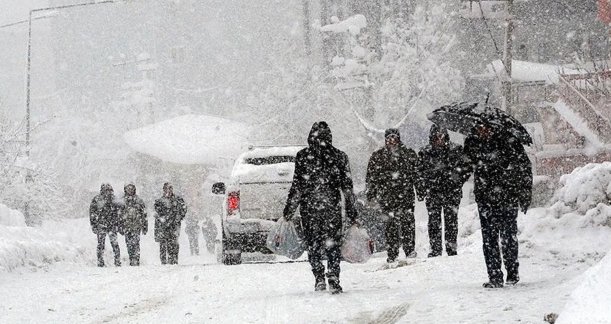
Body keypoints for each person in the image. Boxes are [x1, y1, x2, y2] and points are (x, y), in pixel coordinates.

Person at [283, 121, 359, 294]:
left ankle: (319, 277)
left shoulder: (303, 156)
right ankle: (333, 277)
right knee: (333, 245)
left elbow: (297, 186)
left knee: (314, 244)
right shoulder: (339, 156)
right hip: (331, 208)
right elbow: (347, 188)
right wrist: (352, 212)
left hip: (310, 209)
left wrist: (289, 210)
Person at [464, 123, 532, 288]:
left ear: (493, 127)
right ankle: (494, 276)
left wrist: (524, 194)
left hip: (507, 197)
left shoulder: (508, 141)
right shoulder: (473, 143)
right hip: (485, 199)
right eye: (479, 128)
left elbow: (524, 167)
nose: (483, 131)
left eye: (485, 127)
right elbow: (464, 167)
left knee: (508, 237)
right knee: (489, 239)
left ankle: (512, 273)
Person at [365, 128, 420, 263]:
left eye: (394, 137)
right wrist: (371, 194)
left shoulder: (408, 154)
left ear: (399, 138)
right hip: (387, 196)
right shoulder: (378, 156)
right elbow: (371, 177)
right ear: (385, 139)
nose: (392, 140)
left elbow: (417, 174)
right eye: (389, 138)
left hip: (405, 195)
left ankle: (409, 249)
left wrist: (420, 190)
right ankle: (392, 252)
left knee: (408, 223)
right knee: (391, 226)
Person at [417, 125, 471, 257]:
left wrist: (457, 181)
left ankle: (451, 248)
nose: (439, 139)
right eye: (436, 137)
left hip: (451, 192)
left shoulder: (456, 150)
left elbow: (467, 168)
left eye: (441, 136)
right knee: (434, 221)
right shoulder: (425, 152)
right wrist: (423, 187)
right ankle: (435, 249)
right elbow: (418, 172)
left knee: (451, 221)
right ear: (432, 138)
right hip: (433, 192)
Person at [154, 182, 187, 265]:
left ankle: (173, 260)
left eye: (170, 189)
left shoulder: (178, 200)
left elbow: (184, 208)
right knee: (163, 244)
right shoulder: (159, 201)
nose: (168, 191)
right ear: (163, 190)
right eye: (166, 189)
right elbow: (157, 213)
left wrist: (179, 216)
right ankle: (164, 261)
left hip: (174, 225)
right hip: (163, 226)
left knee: (174, 243)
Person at [89, 183, 121, 267]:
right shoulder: (97, 199)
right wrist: (93, 225)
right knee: (101, 244)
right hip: (101, 225)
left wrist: (118, 223)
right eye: (106, 190)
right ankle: (100, 261)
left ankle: (117, 261)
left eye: (109, 190)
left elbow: (119, 212)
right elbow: (92, 213)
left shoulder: (114, 199)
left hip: (111, 225)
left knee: (114, 244)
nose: (108, 192)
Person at [119, 183, 147, 266]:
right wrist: (120, 226)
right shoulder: (122, 201)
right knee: (129, 244)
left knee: (136, 243)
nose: (130, 190)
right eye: (128, 189)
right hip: (126, 226)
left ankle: (136, 259)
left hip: (136, 226)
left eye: (131, 189)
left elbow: (144, 214)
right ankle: (131, 259)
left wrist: (145, 226)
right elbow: (119, 215)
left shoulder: (139, 200)